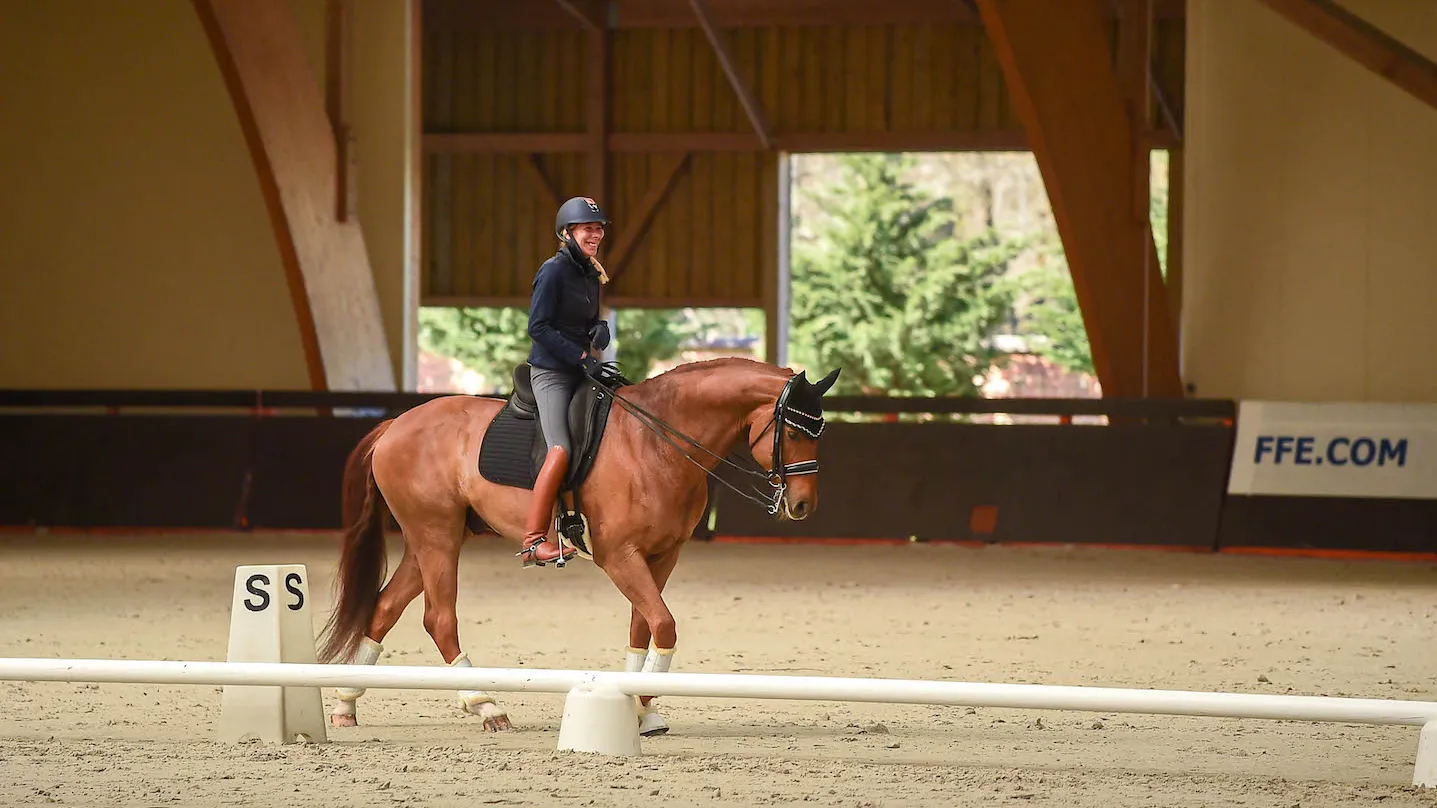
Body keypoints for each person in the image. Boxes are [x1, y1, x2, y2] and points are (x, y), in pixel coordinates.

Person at [518, 196, 613, 567]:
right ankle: (533, 539)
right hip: (552, 373)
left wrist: (596, 328)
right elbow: (538, 327)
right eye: (588, 228)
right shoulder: (553, 271)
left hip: (581, 369)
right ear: (568, 232)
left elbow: (577, 321)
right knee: (561, 448)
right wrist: (579, 356)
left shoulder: (591, 273)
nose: (596, 233)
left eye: (599, 227)